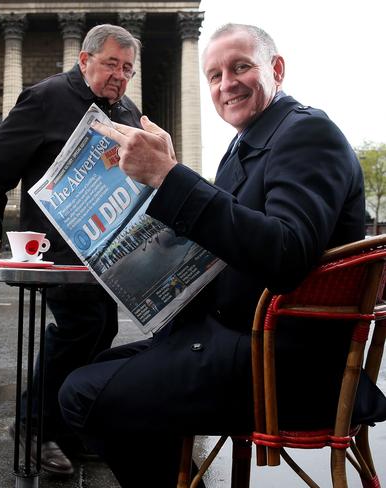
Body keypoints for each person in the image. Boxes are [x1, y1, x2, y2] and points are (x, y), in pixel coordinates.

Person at [58, 23, 386, 486]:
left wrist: (172, 178)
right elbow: (228, 236)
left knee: (82, 394)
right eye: (214, 75)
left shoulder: (308, 134)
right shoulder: (250, 143)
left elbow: (287, 254)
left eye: (240, 67)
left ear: (276, 69)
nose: (226, 84)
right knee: (94, 370)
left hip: (284, 365)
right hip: (242, 342)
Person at [0, 24, 143, 475]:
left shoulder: (126, 112)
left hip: (108, 245)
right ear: (84, 60)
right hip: (55, 246)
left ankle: (67, 430)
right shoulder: (46, 98)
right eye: (111, 64)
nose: (120, 76)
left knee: (102, 329)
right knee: (80, 325)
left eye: (127, 68)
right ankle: (32, 425)